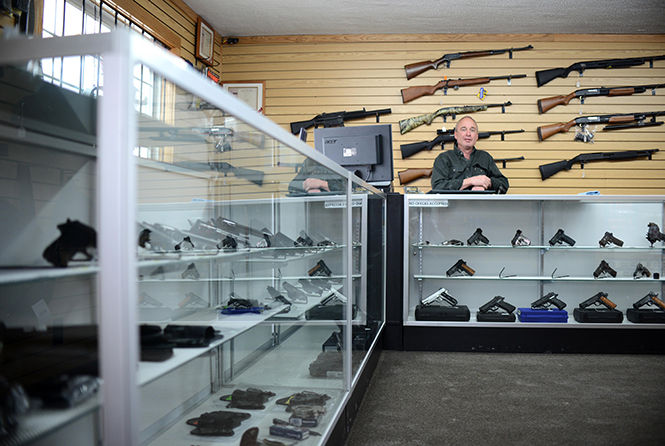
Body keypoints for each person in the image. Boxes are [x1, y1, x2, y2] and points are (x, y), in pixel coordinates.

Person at [430, 116, 509, 193]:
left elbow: (504, 184)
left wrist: (487, 183)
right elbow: (437, 187)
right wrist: (470, 181)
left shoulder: (485, 157)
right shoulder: (443, 159)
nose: (468, 134)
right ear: (456, 135)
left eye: (472, 130)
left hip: (481, 205)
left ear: (477, 136)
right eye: (463, 129)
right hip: (454, 206)